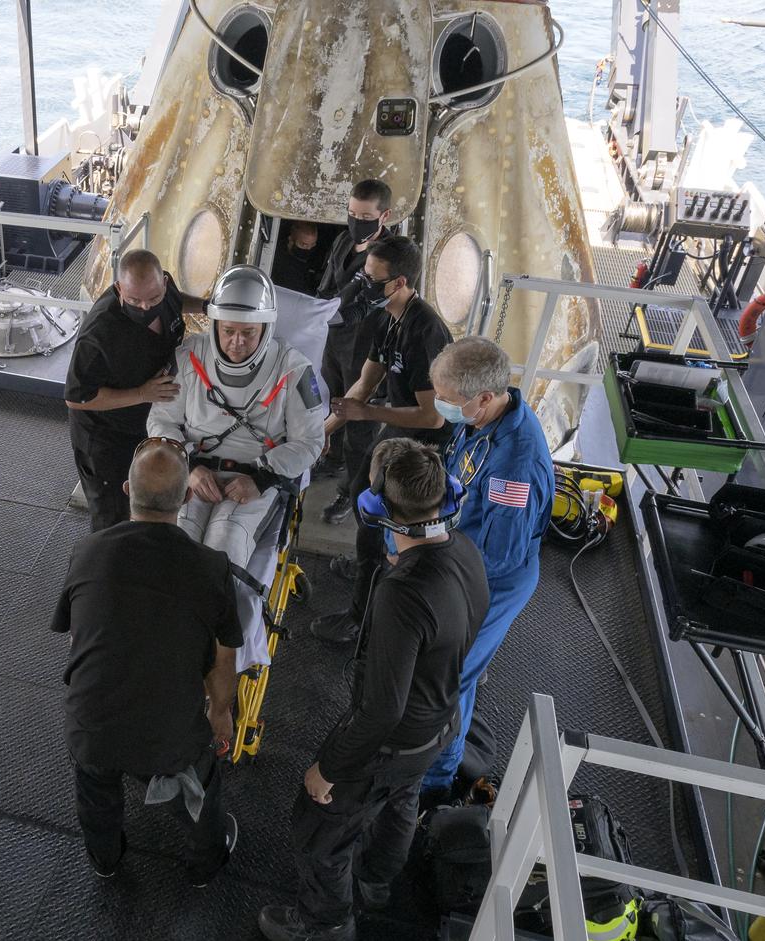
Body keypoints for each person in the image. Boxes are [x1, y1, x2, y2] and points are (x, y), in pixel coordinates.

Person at [257, 439, 489, 941]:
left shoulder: (402, 595)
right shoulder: (466, 551)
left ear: (377, 507)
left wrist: (329, 769)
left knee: (318, 829)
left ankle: (326, 923)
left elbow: (382, 709)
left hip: (393, 740)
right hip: (441, 723)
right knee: (401, 801)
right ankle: (378, 880)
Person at [51, 437, 241, 885]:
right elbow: (224, 655)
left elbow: (77, 635)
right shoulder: (212, 567)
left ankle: (105, 859)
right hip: (169, 733)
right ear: (188, 495)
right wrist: (220, 713)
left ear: (125, 489)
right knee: (202, 789)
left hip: (91, 724)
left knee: (95, 789)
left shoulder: (88, 552)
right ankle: (204, 863)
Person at [418, 336, 554, 799]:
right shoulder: (486, 419)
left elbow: (499, 554)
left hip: (493, 579)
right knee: (458, 671)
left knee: (450, 678)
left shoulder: (515, 464)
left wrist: (429, 546)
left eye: (450, 401)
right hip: (464, 550)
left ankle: (436, 782)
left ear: (484, 398)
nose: (442, 407)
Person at [311, 235, 453, 645]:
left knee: (379, 509)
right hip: (398, 424)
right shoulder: (386, 318)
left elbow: (431, 415)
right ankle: (367, 560)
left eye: (374, 280)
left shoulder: (424, 330)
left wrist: (368, 413)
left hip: (425, 439)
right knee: (361, 494)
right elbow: (365, 382)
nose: (365, 287)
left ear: (400, 283)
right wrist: (322, 432)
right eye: (364, 277)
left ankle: (361, 617)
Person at [147, 265, 324, 573]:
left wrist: (261, 478)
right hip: (195, 470)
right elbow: (161, 423)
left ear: (266, 329)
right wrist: (188, 467)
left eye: (248, 333)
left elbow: (310, 441)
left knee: (225, 544)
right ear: (214, 326)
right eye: (228, 331)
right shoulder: (187, 358)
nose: (237, 342)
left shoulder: (293, 370)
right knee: (177, 542)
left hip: (256, 479)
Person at [64, 249, 198, 531]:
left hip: (144, 423)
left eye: (154, 298)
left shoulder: (165, 290)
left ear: (164, 282)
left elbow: (176, 302)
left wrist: (209, 307)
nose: (146, 308)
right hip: (106, 438)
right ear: (118, 289)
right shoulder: (99, 334)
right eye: (134, 300)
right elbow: (77, 398)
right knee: (113, 514)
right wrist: (142, 394)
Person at [318, 179, 393, 524]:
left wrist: (336, 315)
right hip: (334, 343)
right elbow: (330, 282)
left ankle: (351, 491)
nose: (356, 222)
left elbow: (369, 301)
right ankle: (332, 461)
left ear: (383, 216)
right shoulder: (344, 240)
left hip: (365, 349)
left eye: (365, 216)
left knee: (357, 420)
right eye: (351, 213)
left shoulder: (392, 257)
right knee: (330, 401)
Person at [270, 220, 323, 296]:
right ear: (290, 240)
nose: (309, 249)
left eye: (312, 245)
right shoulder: (276, 261)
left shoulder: (315, 261)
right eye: (304, 245)